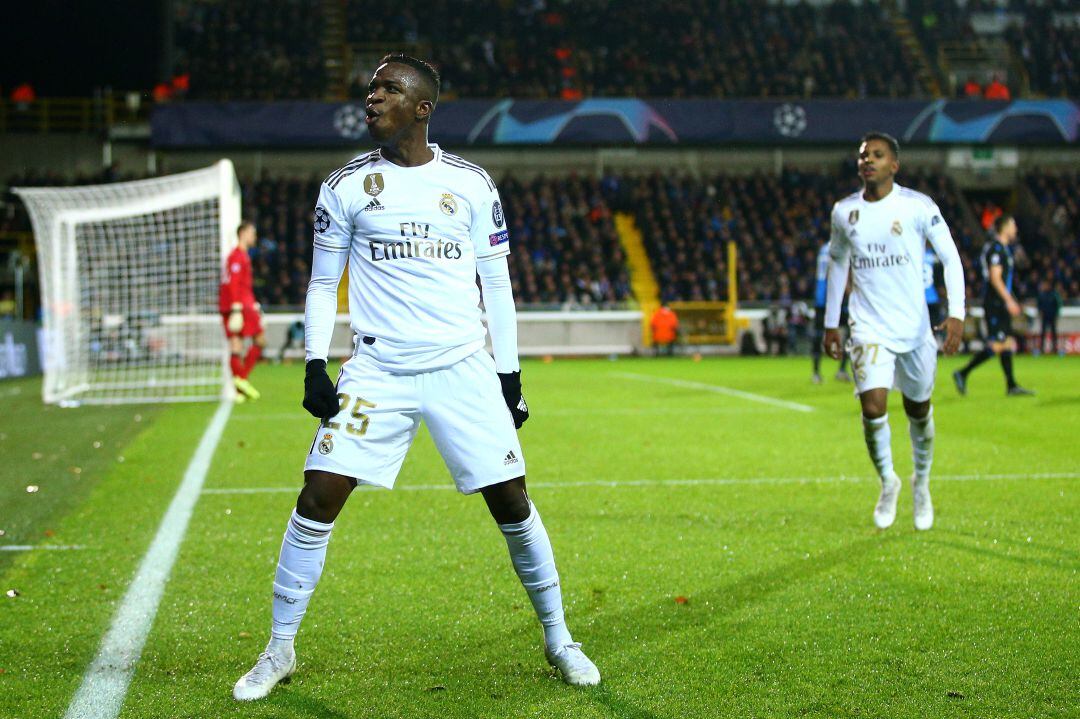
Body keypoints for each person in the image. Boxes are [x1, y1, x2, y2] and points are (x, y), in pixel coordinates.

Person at [233, 54, 599, 701]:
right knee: (317, 495)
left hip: (462, 366)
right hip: (377, 369)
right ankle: (279, 647)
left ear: (422, 107)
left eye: (388, 89)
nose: (372, 98)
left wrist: (509, 377)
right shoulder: (344, 186)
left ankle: (559, 637)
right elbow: (322, 283)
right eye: (370, 88)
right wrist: (315, 362)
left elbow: (499, 288)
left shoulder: (473, 184)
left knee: (512, 501)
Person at [824, 132, 965, 531]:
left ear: (894, 165)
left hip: (915, 328)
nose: (868, 160)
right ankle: (889, 481)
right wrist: (831, 322)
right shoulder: (844, 212)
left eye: (877, 155)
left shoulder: (918, 207)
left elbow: (951, 258)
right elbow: (837, 264)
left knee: (918, 409)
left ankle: (922, 481)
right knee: (872, 407)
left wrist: (957, 313)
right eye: (863, 154)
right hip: (868, 327)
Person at [952, 215, 1035, 396]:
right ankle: (962, 372)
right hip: (995, 303)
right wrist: (1008, 300)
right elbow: (995, 278)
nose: (1015, 228)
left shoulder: (1003, 249)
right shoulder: (996, 249)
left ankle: (1011, 386)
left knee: (1007, 343)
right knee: (997, 344)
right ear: (1004, 228)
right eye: (1013, 225)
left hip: (999, 303)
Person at [219, 221, 266, 401]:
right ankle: (242, 379)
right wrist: (236, 307)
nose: (254, 237)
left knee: (237, 345)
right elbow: (233, 283)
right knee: (256, 340)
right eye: (252, 233)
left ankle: (240, 386)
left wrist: (254, 305)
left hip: (242, 304)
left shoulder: (241, 256)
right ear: (243, 233)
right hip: (238, 305)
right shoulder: (237, 256)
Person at [811, 240, 850, 384]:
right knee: (851, 332)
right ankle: (842, 370)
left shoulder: (823, 248)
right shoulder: (841, 247)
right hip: (835, 297)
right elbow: (834, 272)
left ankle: (816, 372)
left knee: (818, 335)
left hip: (820, 296)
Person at [1036, 279, 1063, 356]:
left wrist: (1057, 314)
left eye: (1046, 285)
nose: (1044, 286)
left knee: (1054, 333)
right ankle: (1041, 349)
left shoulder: (1054, 294)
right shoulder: (1041, 294)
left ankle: (1055, 349)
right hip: (1044, 316)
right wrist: (1040, 312)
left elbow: (1058, 305)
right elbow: (1039, 305)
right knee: (1043, 333)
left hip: (1052, 316)